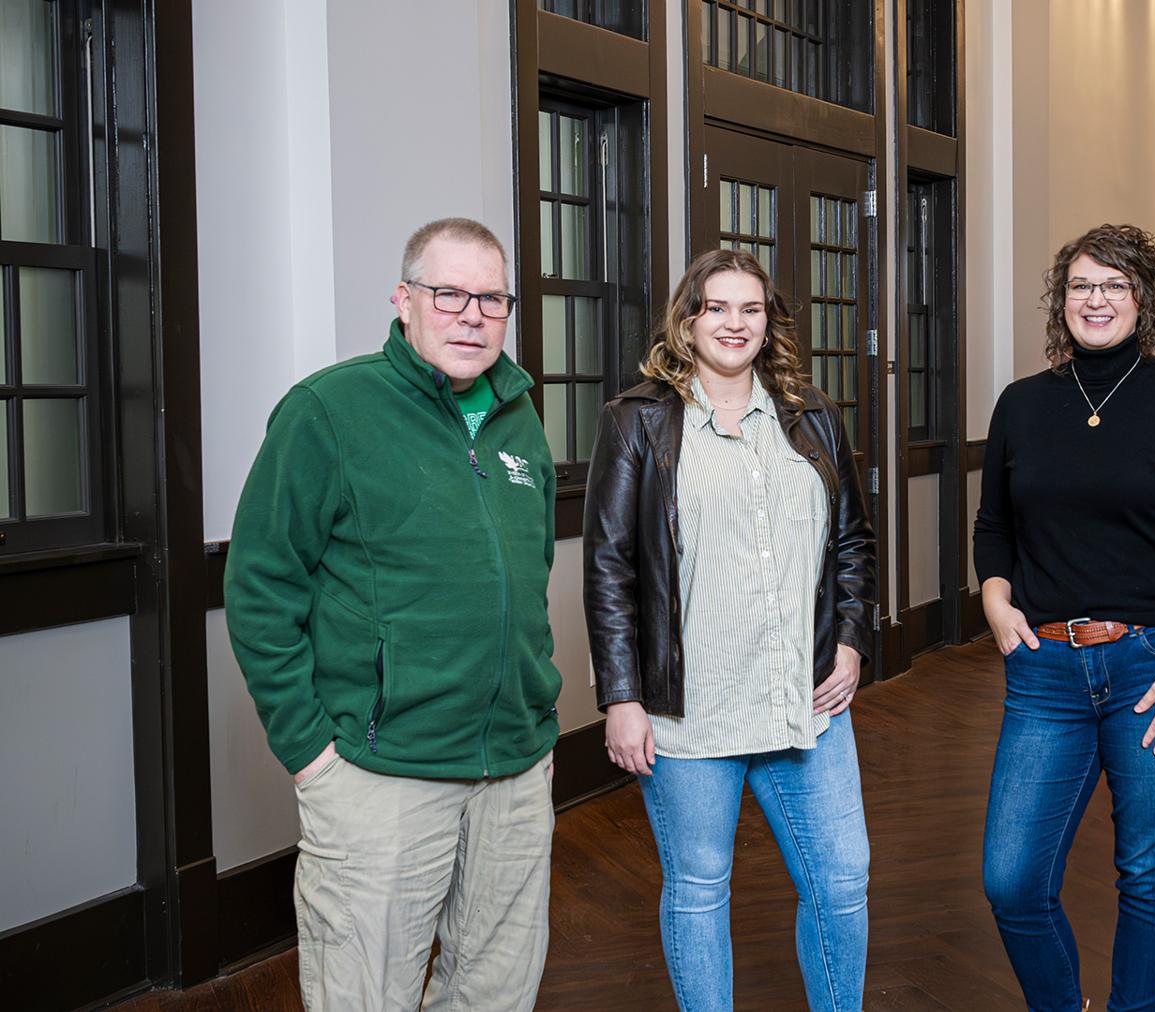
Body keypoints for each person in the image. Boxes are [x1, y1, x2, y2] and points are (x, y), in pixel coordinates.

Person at [224, 217, 560, 1010]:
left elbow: (530, 576)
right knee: (364, 994)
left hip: (513, 767)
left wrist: (535, 719)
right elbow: (259, 588)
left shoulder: (521, 419)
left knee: (496, 991)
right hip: (382, 774)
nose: (472, 314)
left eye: (492, 298)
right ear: (404, 300)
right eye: (449, 294)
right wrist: (313, 754)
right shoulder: (328, 412)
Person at [584, 248, 877, 1012]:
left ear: (768, 322)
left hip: (803, 702)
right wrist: (621, 697)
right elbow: (610, 570)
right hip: (690, 711)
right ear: (688, 319)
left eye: (750, 309)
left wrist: (849, 638)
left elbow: (853, 540)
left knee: (842, 881)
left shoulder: (811, 415)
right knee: (698, 890)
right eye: (716, 307)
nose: (733, 323)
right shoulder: (639, 422)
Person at [973, 223, 1155, 1011]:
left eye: (1114, 285)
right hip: (1046, 671)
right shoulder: (1023, 405)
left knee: (1150, 872)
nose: (1096, 300)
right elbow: (994, 526)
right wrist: (996, 600)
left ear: (1143, 300)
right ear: (1061, 303)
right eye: (1081, 286)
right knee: (1012, 878)